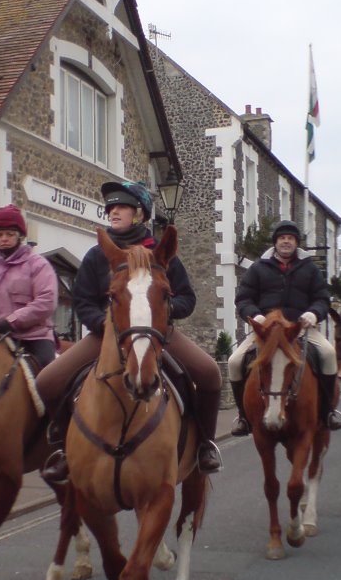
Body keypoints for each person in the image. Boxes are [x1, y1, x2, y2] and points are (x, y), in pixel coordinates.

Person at [37, 180, 222, 483]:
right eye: (110, 207)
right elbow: (83, 300)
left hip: (157, 333)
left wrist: (159, 314)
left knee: (210, 373)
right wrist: (103, 323)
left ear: (140, 214)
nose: (113, 212)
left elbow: (187, 298)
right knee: (47, 381)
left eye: (121, 206)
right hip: (107, 335)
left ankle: (205, 443)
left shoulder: (160, 253)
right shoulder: (99, 255)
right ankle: (62, 447)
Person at [228, 219, 341, 434]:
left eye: (290, 239)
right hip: (265, 333)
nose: (286, 242)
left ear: (296, 243)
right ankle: (243, 417)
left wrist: (314, 313)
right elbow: (243, 299)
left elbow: (322, 298)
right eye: (282, 238)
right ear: (275, 243)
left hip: (299, 330)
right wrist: (255, 316)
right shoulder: (258, 268)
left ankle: (328, 411)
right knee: (234, 361)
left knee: (328, 354)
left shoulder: (310, 269)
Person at [0, 204, 59, 369]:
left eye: (9, 234)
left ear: (19, 236)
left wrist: (11, 322)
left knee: (46, 379)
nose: (4, 238)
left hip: (34, 338)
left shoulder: (38, 265)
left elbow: (46, 301)